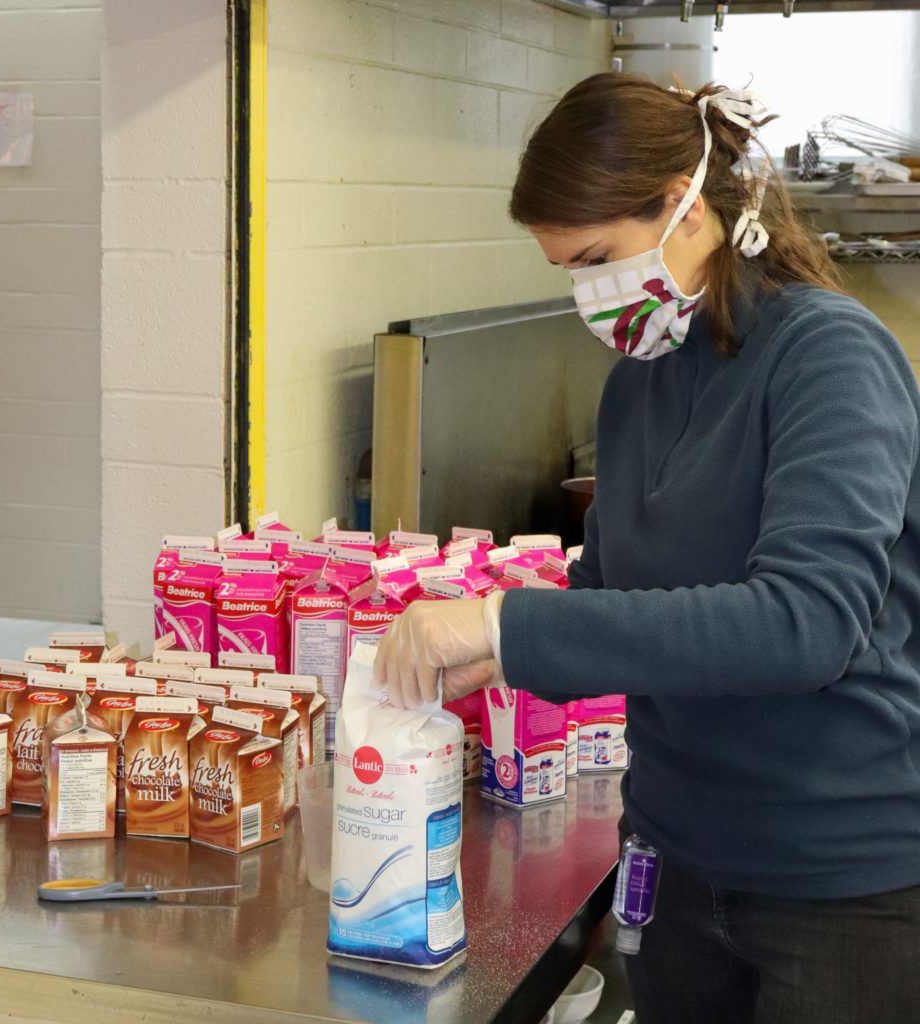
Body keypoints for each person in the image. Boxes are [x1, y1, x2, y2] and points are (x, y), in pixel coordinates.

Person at [373, 72, 920, 1024]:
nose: (592, 295)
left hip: (834, 882)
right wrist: (494, 658)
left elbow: (805, 624)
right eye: (570, 273)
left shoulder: (829, 355)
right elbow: (618, 588)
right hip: (669, 860)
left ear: (685, 206)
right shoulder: (641, 382)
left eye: (598, 258)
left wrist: (508, 621)